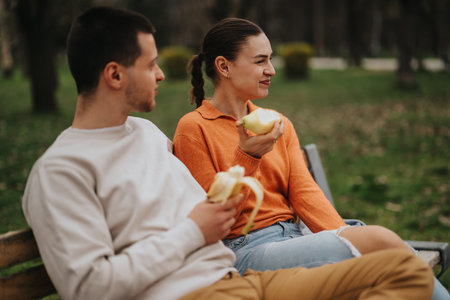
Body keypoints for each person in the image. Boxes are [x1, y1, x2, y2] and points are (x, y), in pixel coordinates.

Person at [22, 7, 434, 300]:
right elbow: (90, 288)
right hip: (206, 285)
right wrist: (197, 227)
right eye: (151, 66)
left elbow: (214, 203)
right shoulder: (62, 171)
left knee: (406, 271)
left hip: (240, 280)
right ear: (114, 74)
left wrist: (333, 232)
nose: (163, 75)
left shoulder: (146, 135)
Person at [173, 18, 449, 300]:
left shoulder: (278, 123)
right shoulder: (194, 128)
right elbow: (217, 220)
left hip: (297, 237)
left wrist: (340, 233)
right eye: (260, 61)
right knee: (380, 242)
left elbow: (305, 193)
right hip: (243, 250)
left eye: (270, 59)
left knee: (379, 249)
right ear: (224, 66)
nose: (271, 70)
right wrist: (248, 156)